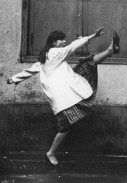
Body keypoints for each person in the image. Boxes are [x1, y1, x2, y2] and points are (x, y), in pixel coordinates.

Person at [7, 28, 120, 166]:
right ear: (54, 42)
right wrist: (93, 36)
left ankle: (109, 50)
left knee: (86, 63)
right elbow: (72, 46)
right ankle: (50, 153)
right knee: (65, 127)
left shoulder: (45, 56)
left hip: (66, 90)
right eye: (62, 39)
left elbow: (30, 70)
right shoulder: (55, 52)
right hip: (62, 96)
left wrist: (13, 79)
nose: (64, 41)